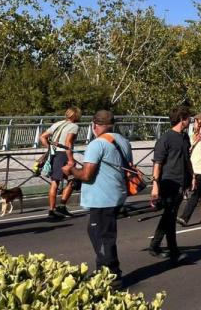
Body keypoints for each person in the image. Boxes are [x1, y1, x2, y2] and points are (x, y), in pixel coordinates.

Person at [62, 110, 131, 286]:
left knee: (102, 237)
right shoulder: (123, 141)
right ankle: (102, 271)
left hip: (102, 198)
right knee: (99, 233)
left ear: (94, 125)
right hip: (117, 194)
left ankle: (113, 275)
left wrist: (71, 170)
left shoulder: (96, 144)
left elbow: (86, 175)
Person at [149, 106, 192, 264]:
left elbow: (186, 160)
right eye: (188, 118)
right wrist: (155, 185)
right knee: (170, 215)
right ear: (182, 119)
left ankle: (154, 245)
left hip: (181, 182)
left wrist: (191, 177)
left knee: (169, 215)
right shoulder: (166, 138)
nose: (190, 120)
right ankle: (173, 250)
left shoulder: (185, 137)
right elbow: (158, 163)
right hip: (169, 182)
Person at [40, 107, 81, 220]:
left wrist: (50, 148)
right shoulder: (74, 126)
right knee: (72, 180)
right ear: (75, 116)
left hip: (54, 155)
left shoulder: (58, 124)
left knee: (54, 183)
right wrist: (71, 160)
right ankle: (61, 206)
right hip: (64, 156)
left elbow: (42, 137)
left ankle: (52, 210)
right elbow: (68, 143)